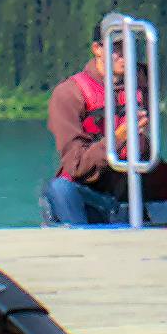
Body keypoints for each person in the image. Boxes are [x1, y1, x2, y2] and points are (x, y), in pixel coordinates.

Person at [42, 44, 131, 227]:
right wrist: (118, 139)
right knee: (60, 189)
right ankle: (80, 242)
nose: (125, 55)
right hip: (88, 192)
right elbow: (76, 166)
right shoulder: (70, 93)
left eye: (129, 47)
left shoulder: (139, 89)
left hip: (129, 190)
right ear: (97, 49)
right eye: (116, 48)